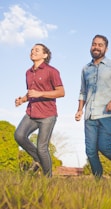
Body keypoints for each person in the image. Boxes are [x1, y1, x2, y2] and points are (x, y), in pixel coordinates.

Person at [75, 34, 111, 180]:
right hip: (89, 115)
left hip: (107, 114)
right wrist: (80, 110)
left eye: (100, 45)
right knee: (90, 150)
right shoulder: (86, 69)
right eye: (94, 44)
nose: (96, 47)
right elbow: (83, 92)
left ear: (106, 48)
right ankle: (99, 180)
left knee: (104, 146)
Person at [14, 43, 65, 177]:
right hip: (31, 112)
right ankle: (37, 159)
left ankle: (47, 179)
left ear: (45, 55)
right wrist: (22, 100)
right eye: (31, 50)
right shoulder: (28, 72)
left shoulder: (52, 71)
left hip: (47, 115)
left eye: (37, 50)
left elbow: (61, 92)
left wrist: (40, 94)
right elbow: (31, 92)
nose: (33, 52)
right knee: (19, 135)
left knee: (42, 148)